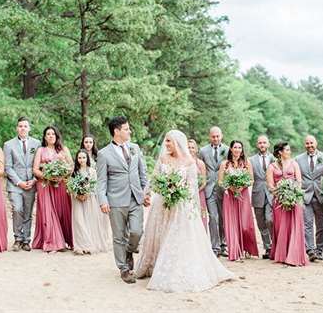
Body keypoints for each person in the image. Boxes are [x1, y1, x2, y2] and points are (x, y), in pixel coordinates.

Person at [136, 130, 233, 292]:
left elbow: (191, 187)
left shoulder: (189, 161)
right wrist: (147, 193)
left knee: (176, 235)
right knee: (161, 232)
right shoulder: (163, 158)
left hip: (181, 204)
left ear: (177, 143)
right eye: (165, 141)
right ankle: (155, 264)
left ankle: (174, 267)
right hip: (163, 202)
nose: (166, 144)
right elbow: (154, 178)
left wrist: (180, 195)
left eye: (169, 141)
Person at [96, 116, 149, 284]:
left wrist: (145, 192)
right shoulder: (104, 154)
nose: (129, 131)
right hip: (116, 200)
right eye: (126, 129)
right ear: (116, 131)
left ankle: (129, 251)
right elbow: (101, 181)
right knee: (118, 236)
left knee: (136, 232)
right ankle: (124, 269)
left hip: (136, 198)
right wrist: (103, 201)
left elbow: (143, 173)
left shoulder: (135, 148)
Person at [32, 126, 73, 252]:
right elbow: (35, 169)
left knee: (62, 212)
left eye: (53, 134)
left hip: (61, 185)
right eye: (48, 134)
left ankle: (64, 239)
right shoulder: (40, 150)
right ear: (44, 137)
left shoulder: (63, 150)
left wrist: (61, 175)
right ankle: (52, 241)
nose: (51, 136)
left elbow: (71, 167)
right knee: (48, 212)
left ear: (57, 136)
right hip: (45, 185)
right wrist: (47, 176)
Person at [267, 142, 308, 266]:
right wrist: (279, 192)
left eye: (289, 150)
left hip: (294, 199)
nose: (289, 152)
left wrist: (293, 193)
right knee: (281, 226)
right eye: (287, 150)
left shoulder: (294, 163)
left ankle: (294, 254)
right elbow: (270, 184)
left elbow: (299, 181)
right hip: (279, 200)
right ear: (280, 152)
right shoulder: (272, 166)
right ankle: (282, 254)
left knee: (294, 226)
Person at [3, 117, 41, 251]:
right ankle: (17, 238)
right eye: (20, 126)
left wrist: (35, 180)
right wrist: (19, 182)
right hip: (15, 184)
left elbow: (40, 164)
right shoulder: (8, 145)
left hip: (31, 182)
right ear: (16, 128)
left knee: (28, 212)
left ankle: (26, 240)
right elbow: (8, 167)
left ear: (29, 128)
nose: (23, 128)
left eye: (25, 126)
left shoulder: (37, 144)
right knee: (17, 209)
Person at [218, 140, 258, 261]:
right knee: (231, 223)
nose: (237, 149)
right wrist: (230, 187)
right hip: (229, 196)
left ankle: (247, 248)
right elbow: (220, 181)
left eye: (239, 147)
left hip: (243, 195)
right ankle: (234, 251)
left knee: (245, 225)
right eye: (235, 147)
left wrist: (241, 186)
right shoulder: (224, 164)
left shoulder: (246, 163)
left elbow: (251, 180)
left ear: (242, 149)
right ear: (230, 149)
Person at [295, 135, 323, 261]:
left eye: (311, 143)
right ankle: (310, 250)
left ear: (316, 143)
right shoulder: (298, 159)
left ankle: (319, 250)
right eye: (307, 143)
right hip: (305, 196)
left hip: (321, 196)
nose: (309, 145)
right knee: (307, 224)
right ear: (305, 144)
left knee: (321, 225)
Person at [71, 149, 111, 255]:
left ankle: (88, 245)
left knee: (89, 220)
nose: (81, 160)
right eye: (79, 158)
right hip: (77, 200)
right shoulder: (74, 172)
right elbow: (70, 187)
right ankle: (80, 245)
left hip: (90, 199)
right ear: (77, 159)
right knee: (79, 221)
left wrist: (87, 193)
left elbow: (96, 186)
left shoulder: (92, 171)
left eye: (83, 157)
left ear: (87, 158)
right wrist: (78, 195)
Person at [199, 127, 228, 257]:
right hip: (209, 188)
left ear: (221, 136)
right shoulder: (203, 151)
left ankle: (224, 245)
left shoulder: (228, 150)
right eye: (213, 136)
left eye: (217, 136)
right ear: (209, 137)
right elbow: (199, 167)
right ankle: (215, 247)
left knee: (223, 218)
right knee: (213, 218)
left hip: (224, 189)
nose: (215, 139)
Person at [249, 135, 275, 259]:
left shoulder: (274, 159)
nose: (262, 145)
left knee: (270, 220)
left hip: (271, 193)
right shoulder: (251, 160)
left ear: (268, 144)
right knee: (260, 223)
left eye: (264, 143)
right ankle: (268, 247)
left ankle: (274, 245)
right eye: (260, 143)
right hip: (257, 193)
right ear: (257, 145)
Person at [188, 139, 208, 231]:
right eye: (188, 147)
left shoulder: (200, 163)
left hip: (199, 194)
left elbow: (204, 182)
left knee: (201, 215)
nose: (191, 149)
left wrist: (195, 191)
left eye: (193, 147)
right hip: (186, 195)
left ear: (196, 149)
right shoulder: (183, 163)